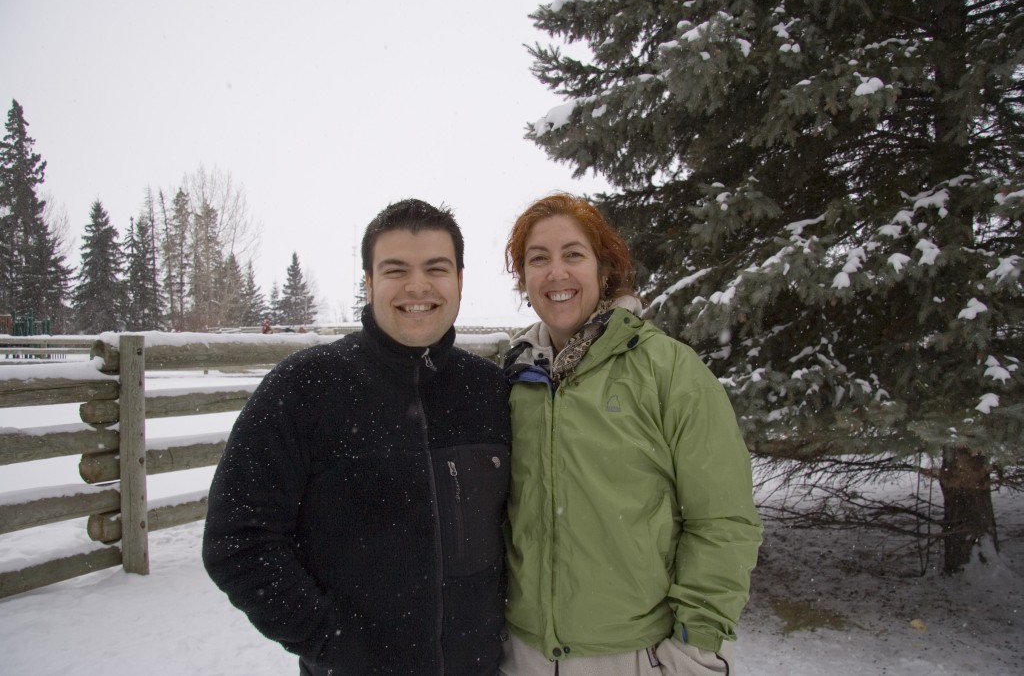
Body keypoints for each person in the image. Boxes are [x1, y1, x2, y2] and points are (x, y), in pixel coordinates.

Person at [203, 199, 512, 675]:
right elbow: (238, 539)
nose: (417, 286)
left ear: (460, 281)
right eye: (395, 270)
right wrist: (332, 642)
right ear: (368, 283)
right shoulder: (305, 387)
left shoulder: (490, 392)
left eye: (436, 268)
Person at [499, 193, 763, 675]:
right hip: (523, 655)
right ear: (524, 279)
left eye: (573, 255)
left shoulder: (669, 370)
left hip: (635, 656)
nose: (556, 273)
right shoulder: (512, 377)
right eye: (538, 259)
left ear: (604, 271)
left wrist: (693, 648)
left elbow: (723, 520)